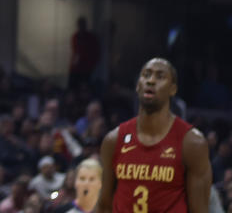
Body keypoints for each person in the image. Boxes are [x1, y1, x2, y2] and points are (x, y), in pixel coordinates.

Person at [97, 57, 212, 213]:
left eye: (160, 76)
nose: (151, 81)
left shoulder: (192, 143)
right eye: (146, 75)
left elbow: (199, 210)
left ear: (173, 89)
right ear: (138, 85)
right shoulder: (114, 140)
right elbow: (104, 206)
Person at [69, 17, 100, 89]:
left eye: (82, 25)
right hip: (75, 68)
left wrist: (90, 66)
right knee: (73, 87)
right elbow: (75, 51)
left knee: (84, 88)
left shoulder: (91, 38)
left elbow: (96, 54)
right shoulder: (75, 36)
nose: (81, 27)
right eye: (79, 25)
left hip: (85, 69)